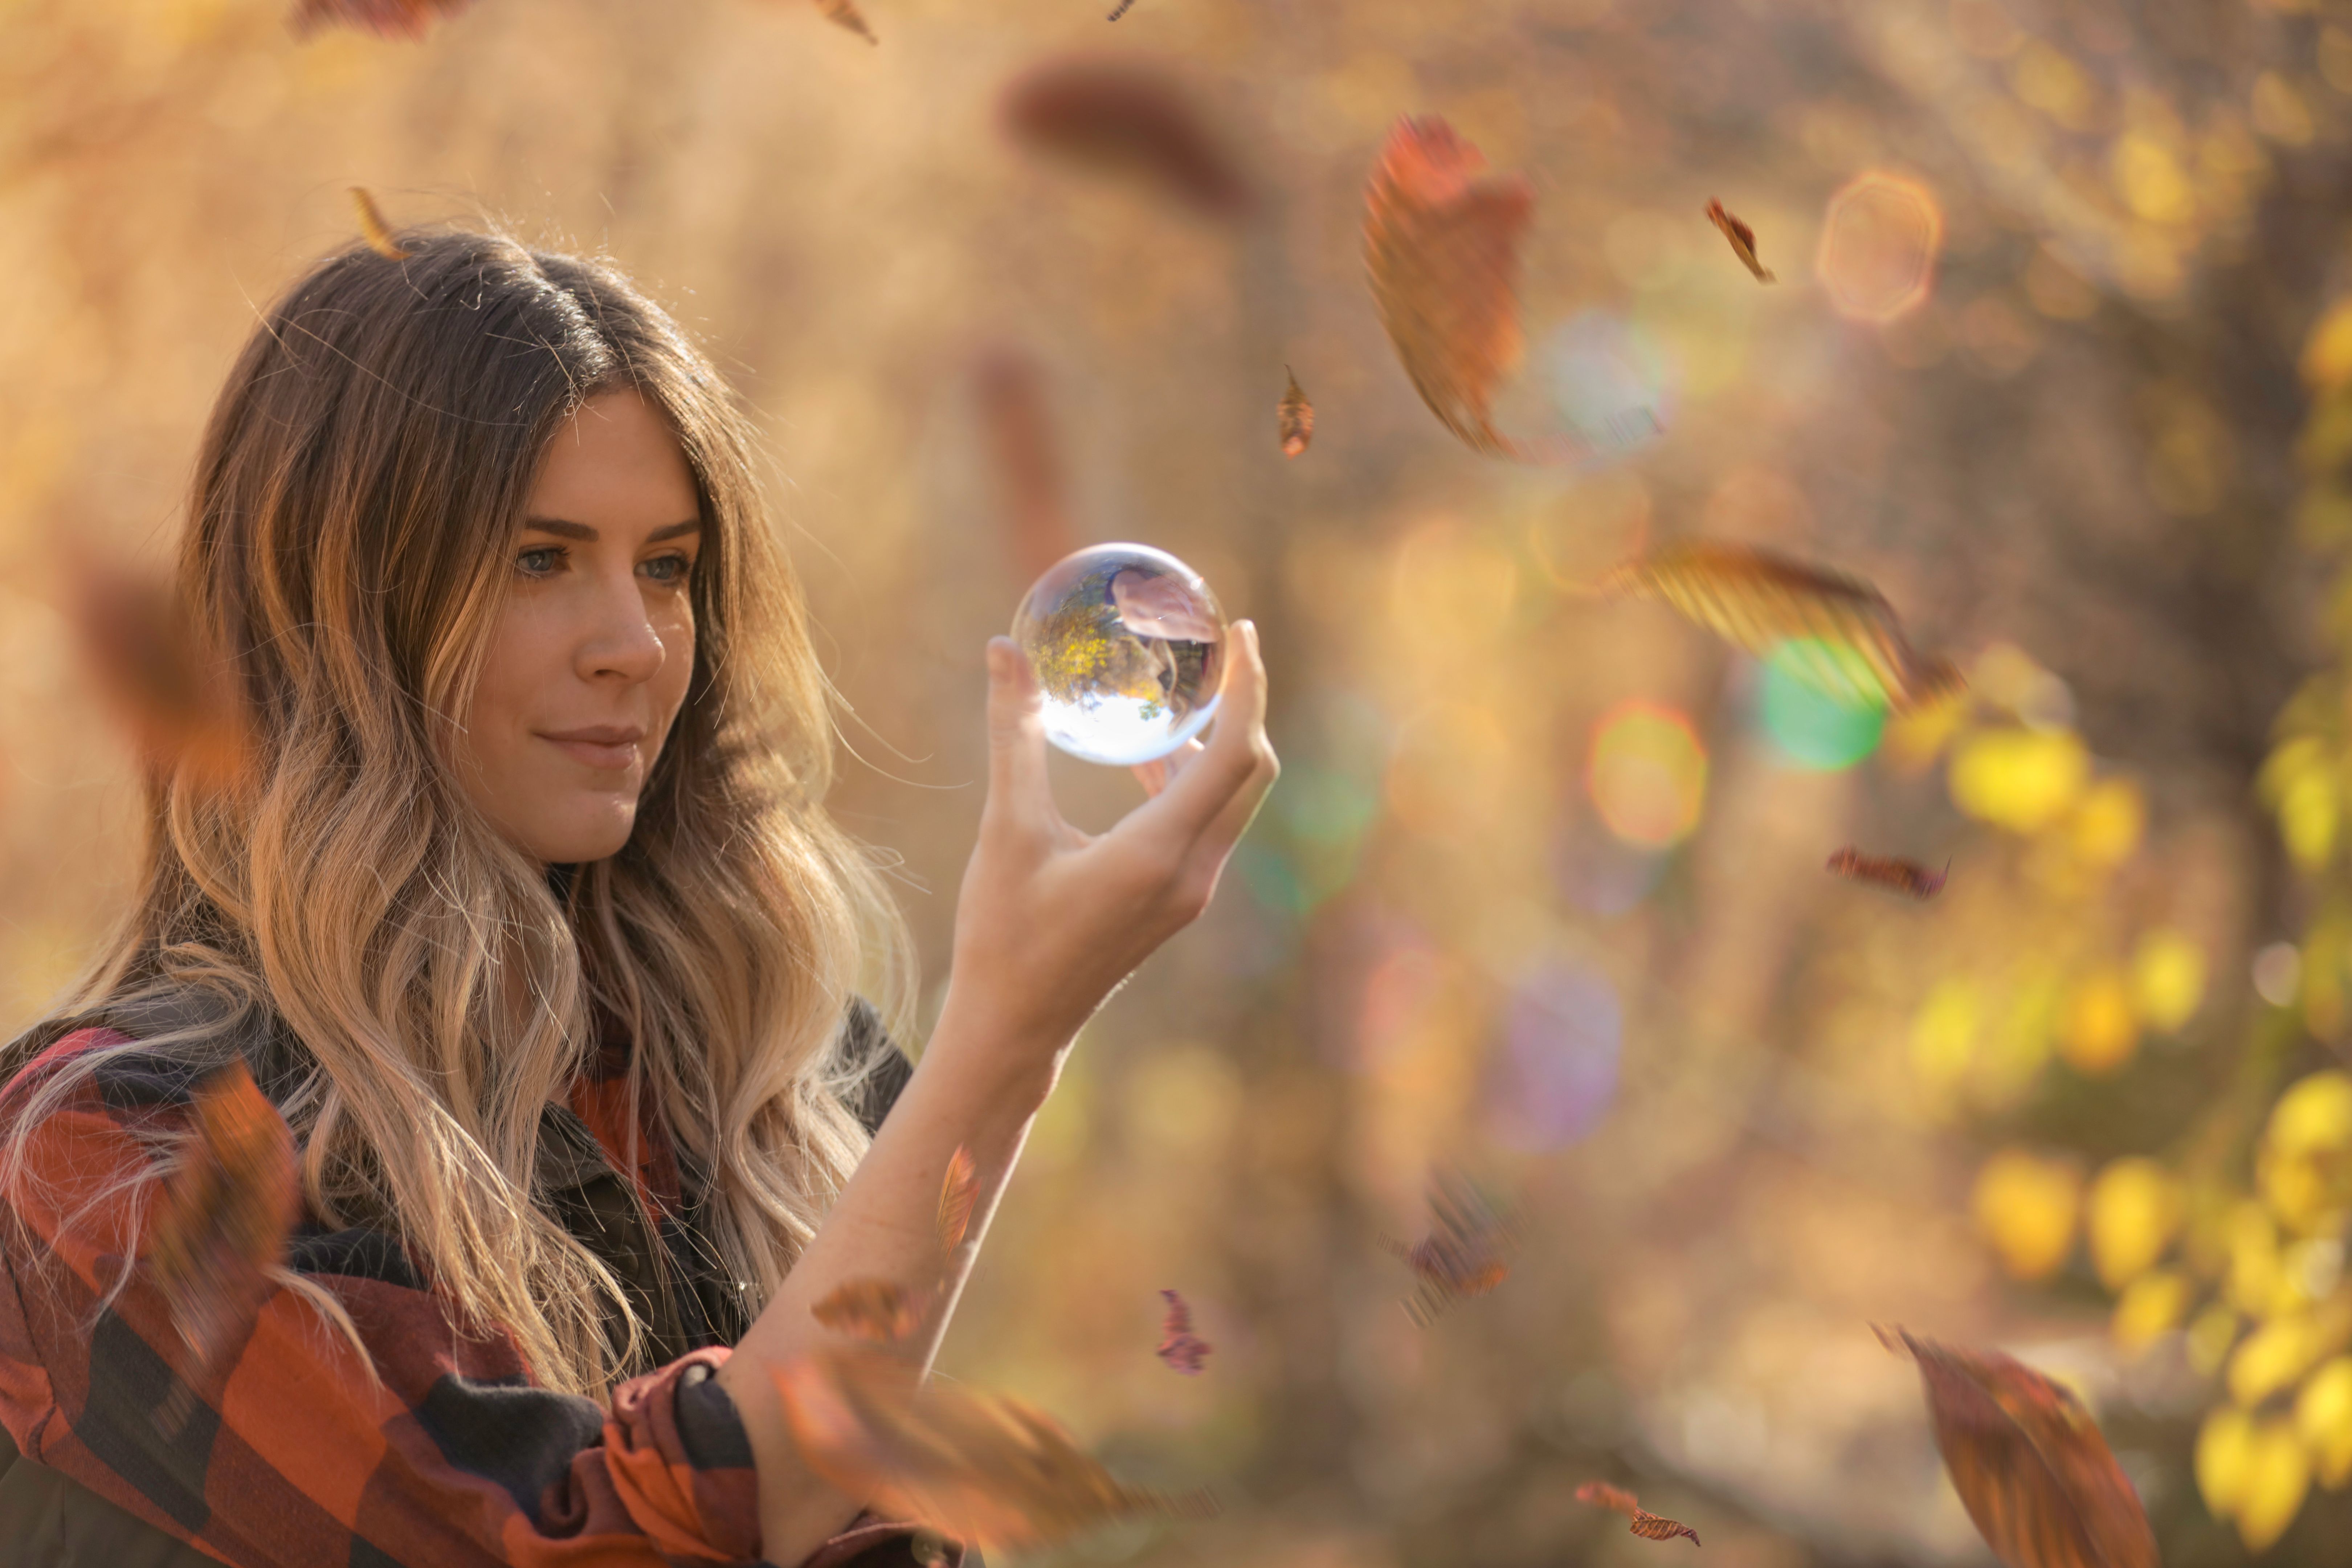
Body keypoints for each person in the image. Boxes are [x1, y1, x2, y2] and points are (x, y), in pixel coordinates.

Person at [0, 227, 1275, 1567]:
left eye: (666, 567)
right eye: (539, 561)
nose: (636, 646)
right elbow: (587, 1543)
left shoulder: (782, 1090)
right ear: (340, 616)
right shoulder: (104, 1156)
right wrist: (1008, 1044)